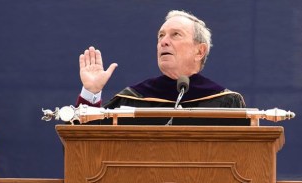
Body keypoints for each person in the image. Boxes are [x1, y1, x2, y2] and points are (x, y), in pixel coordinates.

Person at [76, 10, 246, 125]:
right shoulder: (133, 99)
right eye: (161, 36)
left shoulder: (225, 103)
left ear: (200, 51)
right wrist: (91, 93)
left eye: (176, 35)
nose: (164, 42)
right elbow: (84, 150)